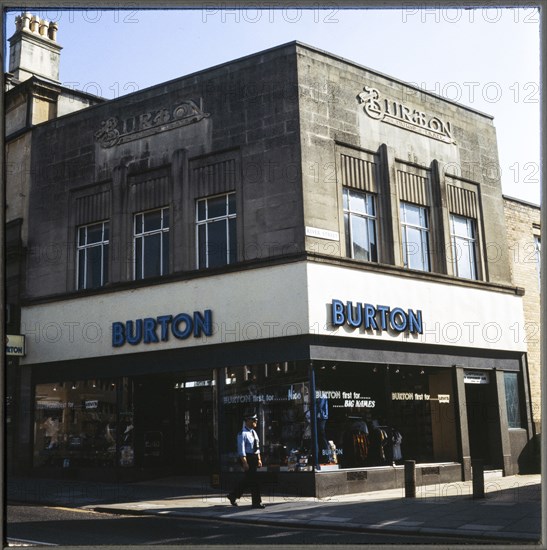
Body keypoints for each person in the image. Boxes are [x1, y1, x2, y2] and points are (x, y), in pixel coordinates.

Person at [227, 413, 265, 509]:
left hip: (254, 457)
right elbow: (241, 450)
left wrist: (259, 459)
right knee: (254, 481)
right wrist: (244, 462)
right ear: (247, 421)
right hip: (247, 458)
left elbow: (257, 447)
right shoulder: (242, 434)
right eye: (253, 420)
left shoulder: (253, 432)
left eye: (255, 420)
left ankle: (233, 495)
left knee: (249, 480)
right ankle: (256, 503)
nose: (255, 421)